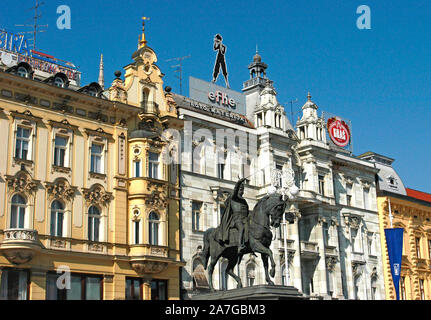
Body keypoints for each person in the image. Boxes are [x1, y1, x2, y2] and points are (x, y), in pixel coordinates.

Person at [215, 178, 249, 253]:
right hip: (237, 219)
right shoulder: (234, 197)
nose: (241, 191)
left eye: (242, 189)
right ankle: (240, 246)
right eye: (240, 189)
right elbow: (235, 189)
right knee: (241, 228)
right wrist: (239, 182)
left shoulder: (243, 200)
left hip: (245, 219)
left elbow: (247, 210)